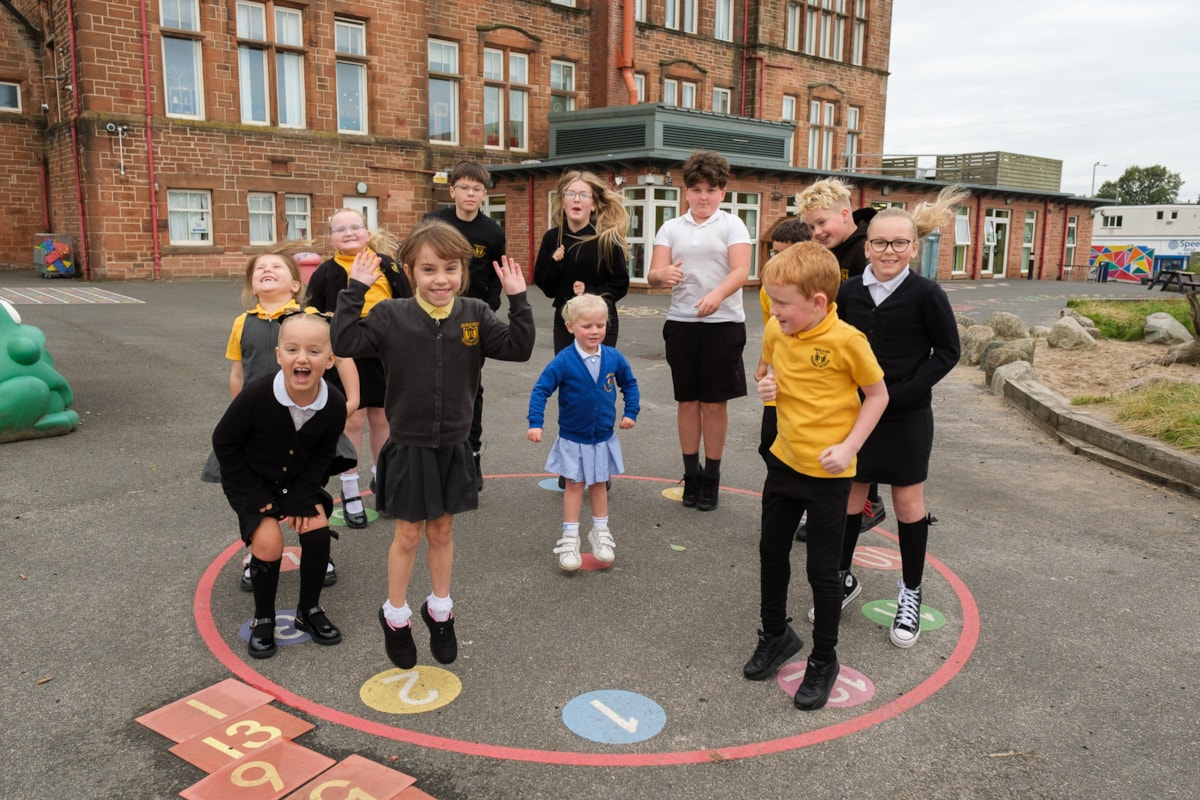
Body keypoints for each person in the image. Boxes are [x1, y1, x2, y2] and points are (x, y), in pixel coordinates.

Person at [331, 219, 534, 669]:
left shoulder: (475, 314)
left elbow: (519, 348)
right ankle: (396, 615)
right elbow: (344, 341)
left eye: (450, 268)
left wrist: (518, 299)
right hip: (408, 444)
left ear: (462, 269)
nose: (440, 279)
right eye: (428, 270)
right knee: (407, 534)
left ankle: (439, 609)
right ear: (408, 272)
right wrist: (355, 290)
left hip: (455, 444)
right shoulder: (390, 316)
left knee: (443, 530)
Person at [748, 241, 887, 710]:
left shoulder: (848, 342)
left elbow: (878, 396)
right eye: (771, 300)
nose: (773, 310)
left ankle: (824, 659)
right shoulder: (775, 327)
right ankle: (775, 634)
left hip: (830, 476)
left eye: (782, 302)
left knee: (823, 571)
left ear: (818, 302)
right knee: (771, 553)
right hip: (784, 463)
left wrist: (850, 446)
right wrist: (767, 389)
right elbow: (765, 376)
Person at [831, 186, 966, 649]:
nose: (889, 251)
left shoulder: (926, 293)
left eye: (899, 243)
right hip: (854, 414)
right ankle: (842, 579)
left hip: (906, 415)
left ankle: (911, 592)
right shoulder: (848, 291)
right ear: (866, 245)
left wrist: (897, 393)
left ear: (913, 246)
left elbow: (947, 352)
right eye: (880, 243)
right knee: (851, 496)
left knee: (909, 504)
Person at [210, 246, 360, 591]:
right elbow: (239, 371)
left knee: (306, 482)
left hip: (304, 423)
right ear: (252, 283)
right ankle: (257, 552)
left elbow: (345, 356)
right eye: (259, 268)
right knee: (252, 491)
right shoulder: (242, 322)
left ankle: (317, 550)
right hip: (261, 428)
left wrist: (352, 399)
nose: (267, 270)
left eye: (276, 266)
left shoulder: (311, 319)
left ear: (295, 284)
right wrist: (239, 412)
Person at [212, 310, 356, 659]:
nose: (302, 358)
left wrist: (302, 496)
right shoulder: (258, 395)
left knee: (317, 528)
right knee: (269, 542)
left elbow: (323, 453)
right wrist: (257, 498)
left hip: (299, 482)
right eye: (292, 350)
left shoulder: (334, 403)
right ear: (279, 356)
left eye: (314, 350)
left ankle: (309, 609)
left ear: (330, 359)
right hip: (251, 481)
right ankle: (264, 618)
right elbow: (224, 442)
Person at [647, 150, 751, 512]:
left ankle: (713, 477)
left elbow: (741, 272)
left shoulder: (732, 224)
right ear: (686, 191)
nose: (703, 196)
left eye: (711, 189)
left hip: (723, 324)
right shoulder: (671, 227)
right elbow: (653, 274)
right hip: (682, 323)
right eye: (696, 189)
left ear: (722, 192)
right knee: (687, 402)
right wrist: (664, 275)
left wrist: (717, 296)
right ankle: (691, 474)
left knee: (713, 403)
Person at [307, 209, 410, 529]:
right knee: (353, 418)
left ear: (367, 232)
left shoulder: (388, 264)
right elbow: (311, 311)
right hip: (346, 353)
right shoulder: (326, 272)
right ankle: (350, 490)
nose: (348, 233)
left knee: (383, 417)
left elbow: (407, 302)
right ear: (331, 237)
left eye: (355, 227)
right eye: (340, 229)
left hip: (386, 350)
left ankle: (384, 482)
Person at [797, 177, 886, 531]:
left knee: (861, 432)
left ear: (846, 214)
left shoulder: (866, 251)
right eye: (811, 226)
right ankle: (831, 504)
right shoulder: (826, 252)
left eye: (822, 223)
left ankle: (866, 502)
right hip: (830, 356)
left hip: (861, 356)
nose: (816, 231)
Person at [527, 294, 640, 570]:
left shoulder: (613, 357)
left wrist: (630, 412)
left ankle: (600, 533)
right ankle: (570, 538)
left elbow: (630, 383)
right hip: (572, 438)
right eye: (587, 326)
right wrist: (535, 422)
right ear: (570, 327)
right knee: (575, 485)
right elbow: (541, 390)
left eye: (600, 325)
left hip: (602, 437)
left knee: (600, 483)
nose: (594, 331)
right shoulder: (564, 361)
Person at [424, 160, 506, 490]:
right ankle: (432, 456)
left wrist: (490, 306)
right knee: (432, 382)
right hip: (434, 314)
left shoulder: (492, 232)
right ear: (452, 190)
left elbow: (498, 273)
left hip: (472, 318)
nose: (470, 194)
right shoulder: (434, 223)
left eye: (476, 189)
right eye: (464, 188)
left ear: (484, 194)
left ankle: (471, 456)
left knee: (470, 385)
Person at [755, 219, 813, 541]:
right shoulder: (769, 289)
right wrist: (764, 360)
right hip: (778, 382)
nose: (775, 261)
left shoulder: (818, 294)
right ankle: (792, 502)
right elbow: (772, 329)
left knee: (804, 448)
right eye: (773, 253)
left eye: (783, 255)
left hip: (808, 386)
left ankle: (809, 508)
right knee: (769, 444)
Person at [533, 170, 631, 353]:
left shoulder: (606, 240)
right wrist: (556, 265)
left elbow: (620, 284)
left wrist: (590, 292)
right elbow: (547, 288)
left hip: (600, 322)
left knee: (598, 375)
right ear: (563, 202)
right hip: (567, 321)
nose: (576, 199)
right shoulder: (552, 238)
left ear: (593, 204)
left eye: (584, 195)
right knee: (569, 376)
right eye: (570, 194)